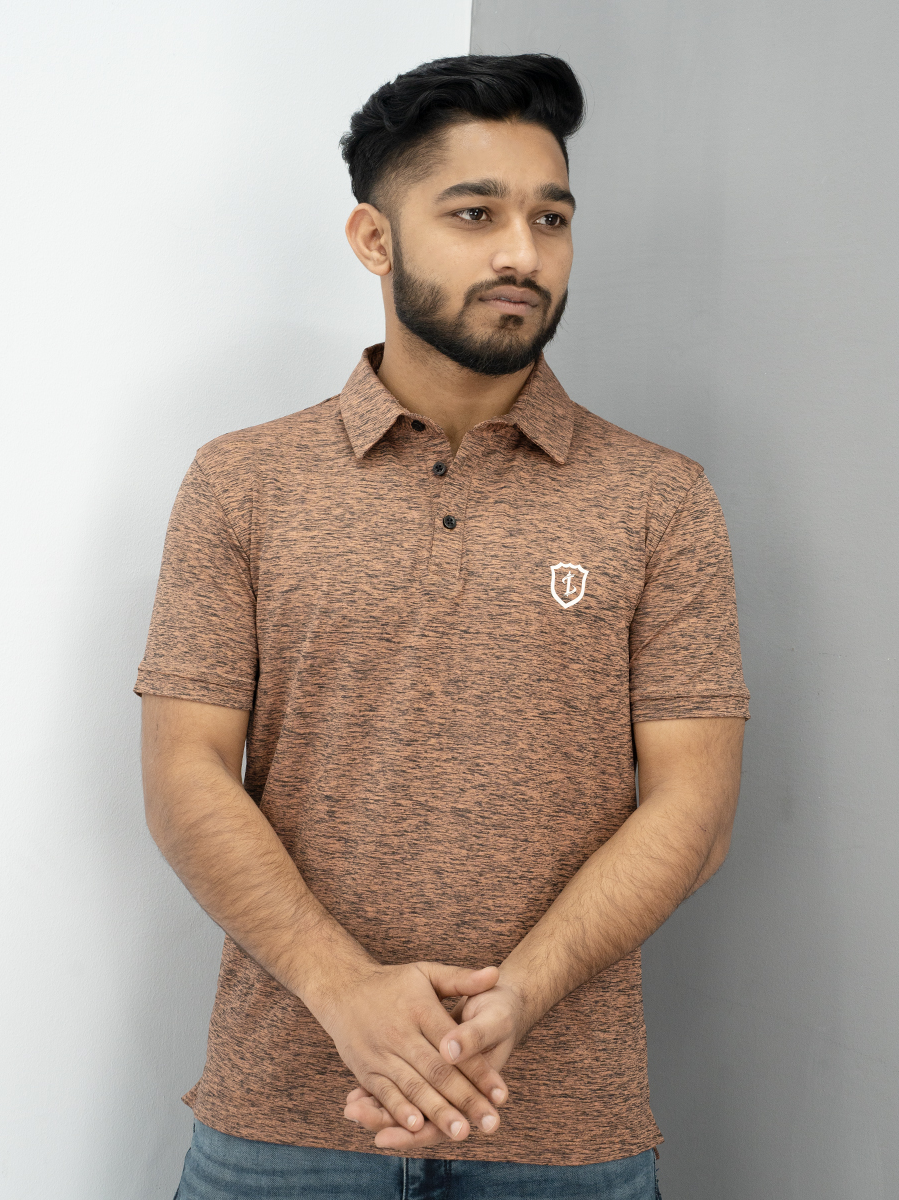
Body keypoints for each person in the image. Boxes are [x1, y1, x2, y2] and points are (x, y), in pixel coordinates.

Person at [136, 53, 749, 1200]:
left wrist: (520, 994)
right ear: (375, 239)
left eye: (551, 218)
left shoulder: (660, 498)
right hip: (287, 1119)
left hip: (565, 1130)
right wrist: (344, 990)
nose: (523, 254)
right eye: (475, 214)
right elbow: (185, 774)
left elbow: (695, 808)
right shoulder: (242, 483)